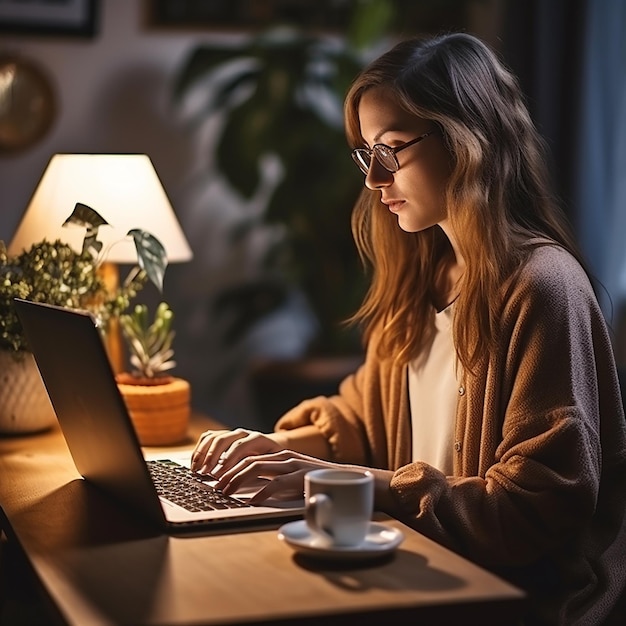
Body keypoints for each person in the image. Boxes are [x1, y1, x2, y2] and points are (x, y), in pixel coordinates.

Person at [191, 33, 626, 625]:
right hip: (422, 574)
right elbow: (364, 417)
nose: (373, 179)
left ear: (469, 143)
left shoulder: (543, 288)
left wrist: (337, 483)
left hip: (514, 602)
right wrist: (280, 453)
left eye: (392, 149)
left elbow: (535, 510)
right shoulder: (423, 275)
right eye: (367, 152)